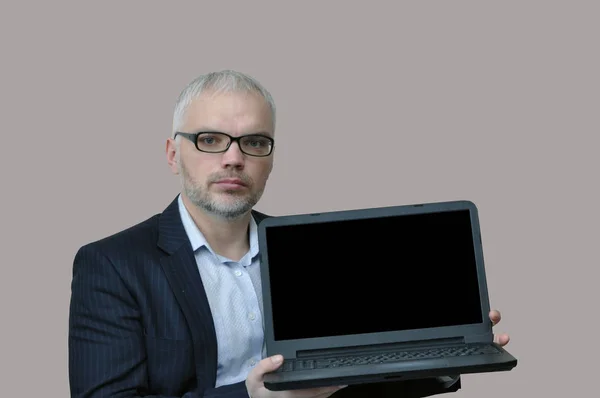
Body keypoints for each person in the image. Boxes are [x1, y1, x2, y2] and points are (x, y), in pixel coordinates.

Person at [68, 70, 511, 398]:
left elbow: (358, 378)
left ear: (270, 158)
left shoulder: (312, 257)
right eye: (210, 140)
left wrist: (446, 355)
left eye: (254, 142)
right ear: (172, 154)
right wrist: (251, 397)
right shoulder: (112, 265)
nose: (234, 158)